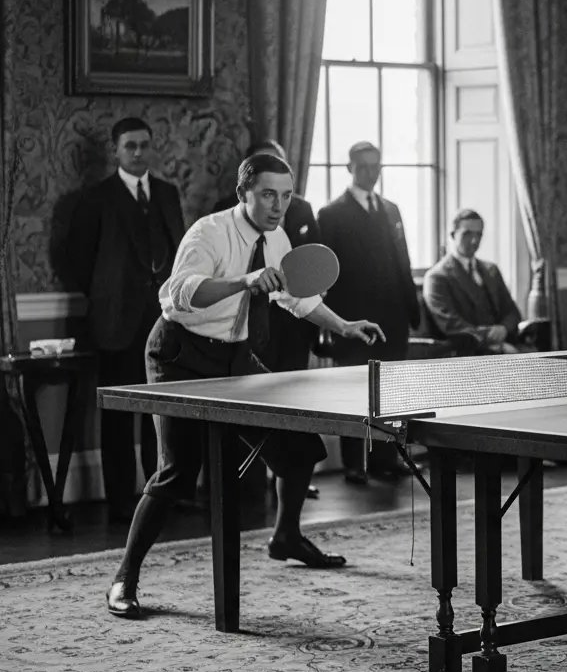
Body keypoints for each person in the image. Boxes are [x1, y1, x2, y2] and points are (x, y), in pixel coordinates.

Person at [105, 153, 385, 620]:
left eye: (287, 195)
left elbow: (297, 297)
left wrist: (343, 324)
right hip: (180, 354)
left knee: (298, 450)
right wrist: (244, 280)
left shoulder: (275, 239)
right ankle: (124, 579)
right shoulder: (208, 232)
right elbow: (180, 292)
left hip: (235, 357)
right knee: (177, 470)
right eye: (268, 194)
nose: (279, 205)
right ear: (243, 194)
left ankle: (286, 536)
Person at [69, 116, 186, 522]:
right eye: (130, 146)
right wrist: (109, 296)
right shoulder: (96, 198)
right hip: (115, 323)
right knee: (118, 416)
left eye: (144, 145)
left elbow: (181, 255)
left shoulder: (168, 195)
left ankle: (165, 493)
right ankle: (121, 500)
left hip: (165, 321)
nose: (138, 153)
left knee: (165, 414)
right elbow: (78, 262)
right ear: (116, 151)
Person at [317, 141, 419, 483]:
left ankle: (386, 459)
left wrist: (411, 312)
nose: (370, 173)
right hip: (353, 322)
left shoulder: (391, 209)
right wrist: (336, 325)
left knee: (389, 396)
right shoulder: (331, 214)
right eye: (363, 167)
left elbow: (403, 264)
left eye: (376, 167)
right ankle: (353, 464)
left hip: (392, 320)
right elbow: (327, 275)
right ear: (350, 168)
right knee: (354, 393)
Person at [212, 139, 322, 373]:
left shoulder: (303, 208)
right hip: (245, 324)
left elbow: (315, 261)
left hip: (294, 324)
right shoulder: (224, 210)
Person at [422, 209, 537, 355]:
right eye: (467, 234)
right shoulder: (437, 277)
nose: (474, 241)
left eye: (479, 234)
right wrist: (492, 342)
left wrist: (503, 329)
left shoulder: (491, 271)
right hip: (465, 353)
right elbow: (450, 324)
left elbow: (512, 312)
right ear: (453, 235)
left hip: (504, 345)